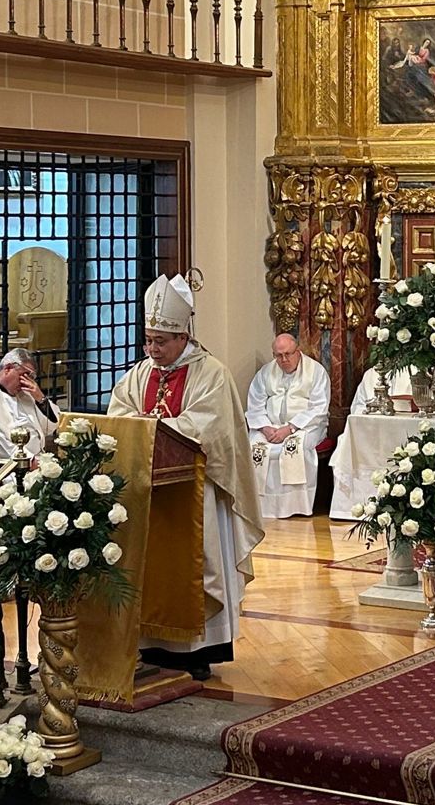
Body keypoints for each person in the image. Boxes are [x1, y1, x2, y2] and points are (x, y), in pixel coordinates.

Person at [107, 275, 263, 680]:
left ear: (182, 336)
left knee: (199, 563)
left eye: (160, 341)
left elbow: (213, 427)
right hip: (149, 496)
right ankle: (149, 646)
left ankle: (197, 650)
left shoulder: (211, 373)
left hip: (197, 494)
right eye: (148, 340)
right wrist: (138, 423)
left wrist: (164, 425)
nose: (152, 350)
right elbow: (119, 413)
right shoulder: (140, 373)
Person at [245, 333, 331, 520]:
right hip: (270, 427)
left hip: (306, 426)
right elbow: (255, 405)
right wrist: (265, 428)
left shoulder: (315, 371)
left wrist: (290, 428)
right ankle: (261, 506)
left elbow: (319, 407)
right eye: (278, 355)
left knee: (295, 448)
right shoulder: (266, 372)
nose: (283, 360)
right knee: (254, 448)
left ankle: (295, 506)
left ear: (298, 351)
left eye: (288, 354)